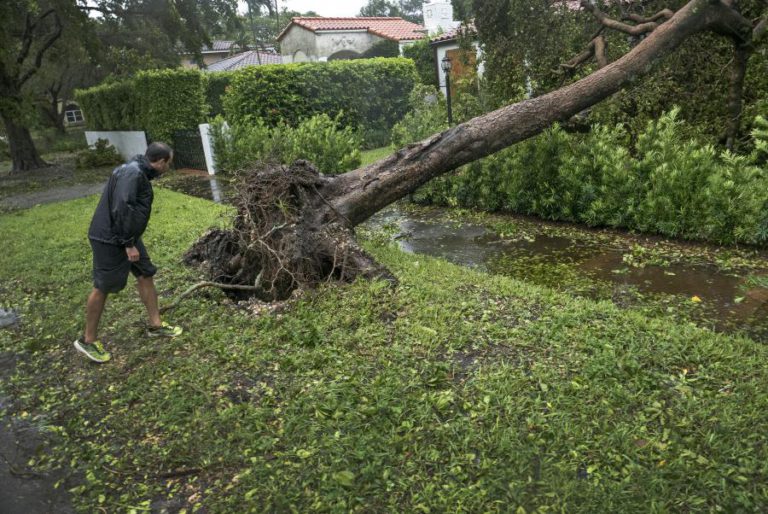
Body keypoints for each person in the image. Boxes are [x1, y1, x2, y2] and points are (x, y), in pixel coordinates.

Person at [74, 142, 182, 363]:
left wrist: (130, 239)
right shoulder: (132, 174)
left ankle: (156, 325)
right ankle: (87, 340)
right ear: (161, 162)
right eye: (168, 163)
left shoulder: (137, 169)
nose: (168, 167)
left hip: (126, 235)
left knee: (145, 272)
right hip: (110, 239)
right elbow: (122, 208)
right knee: (103, 286)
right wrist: (128, 243)